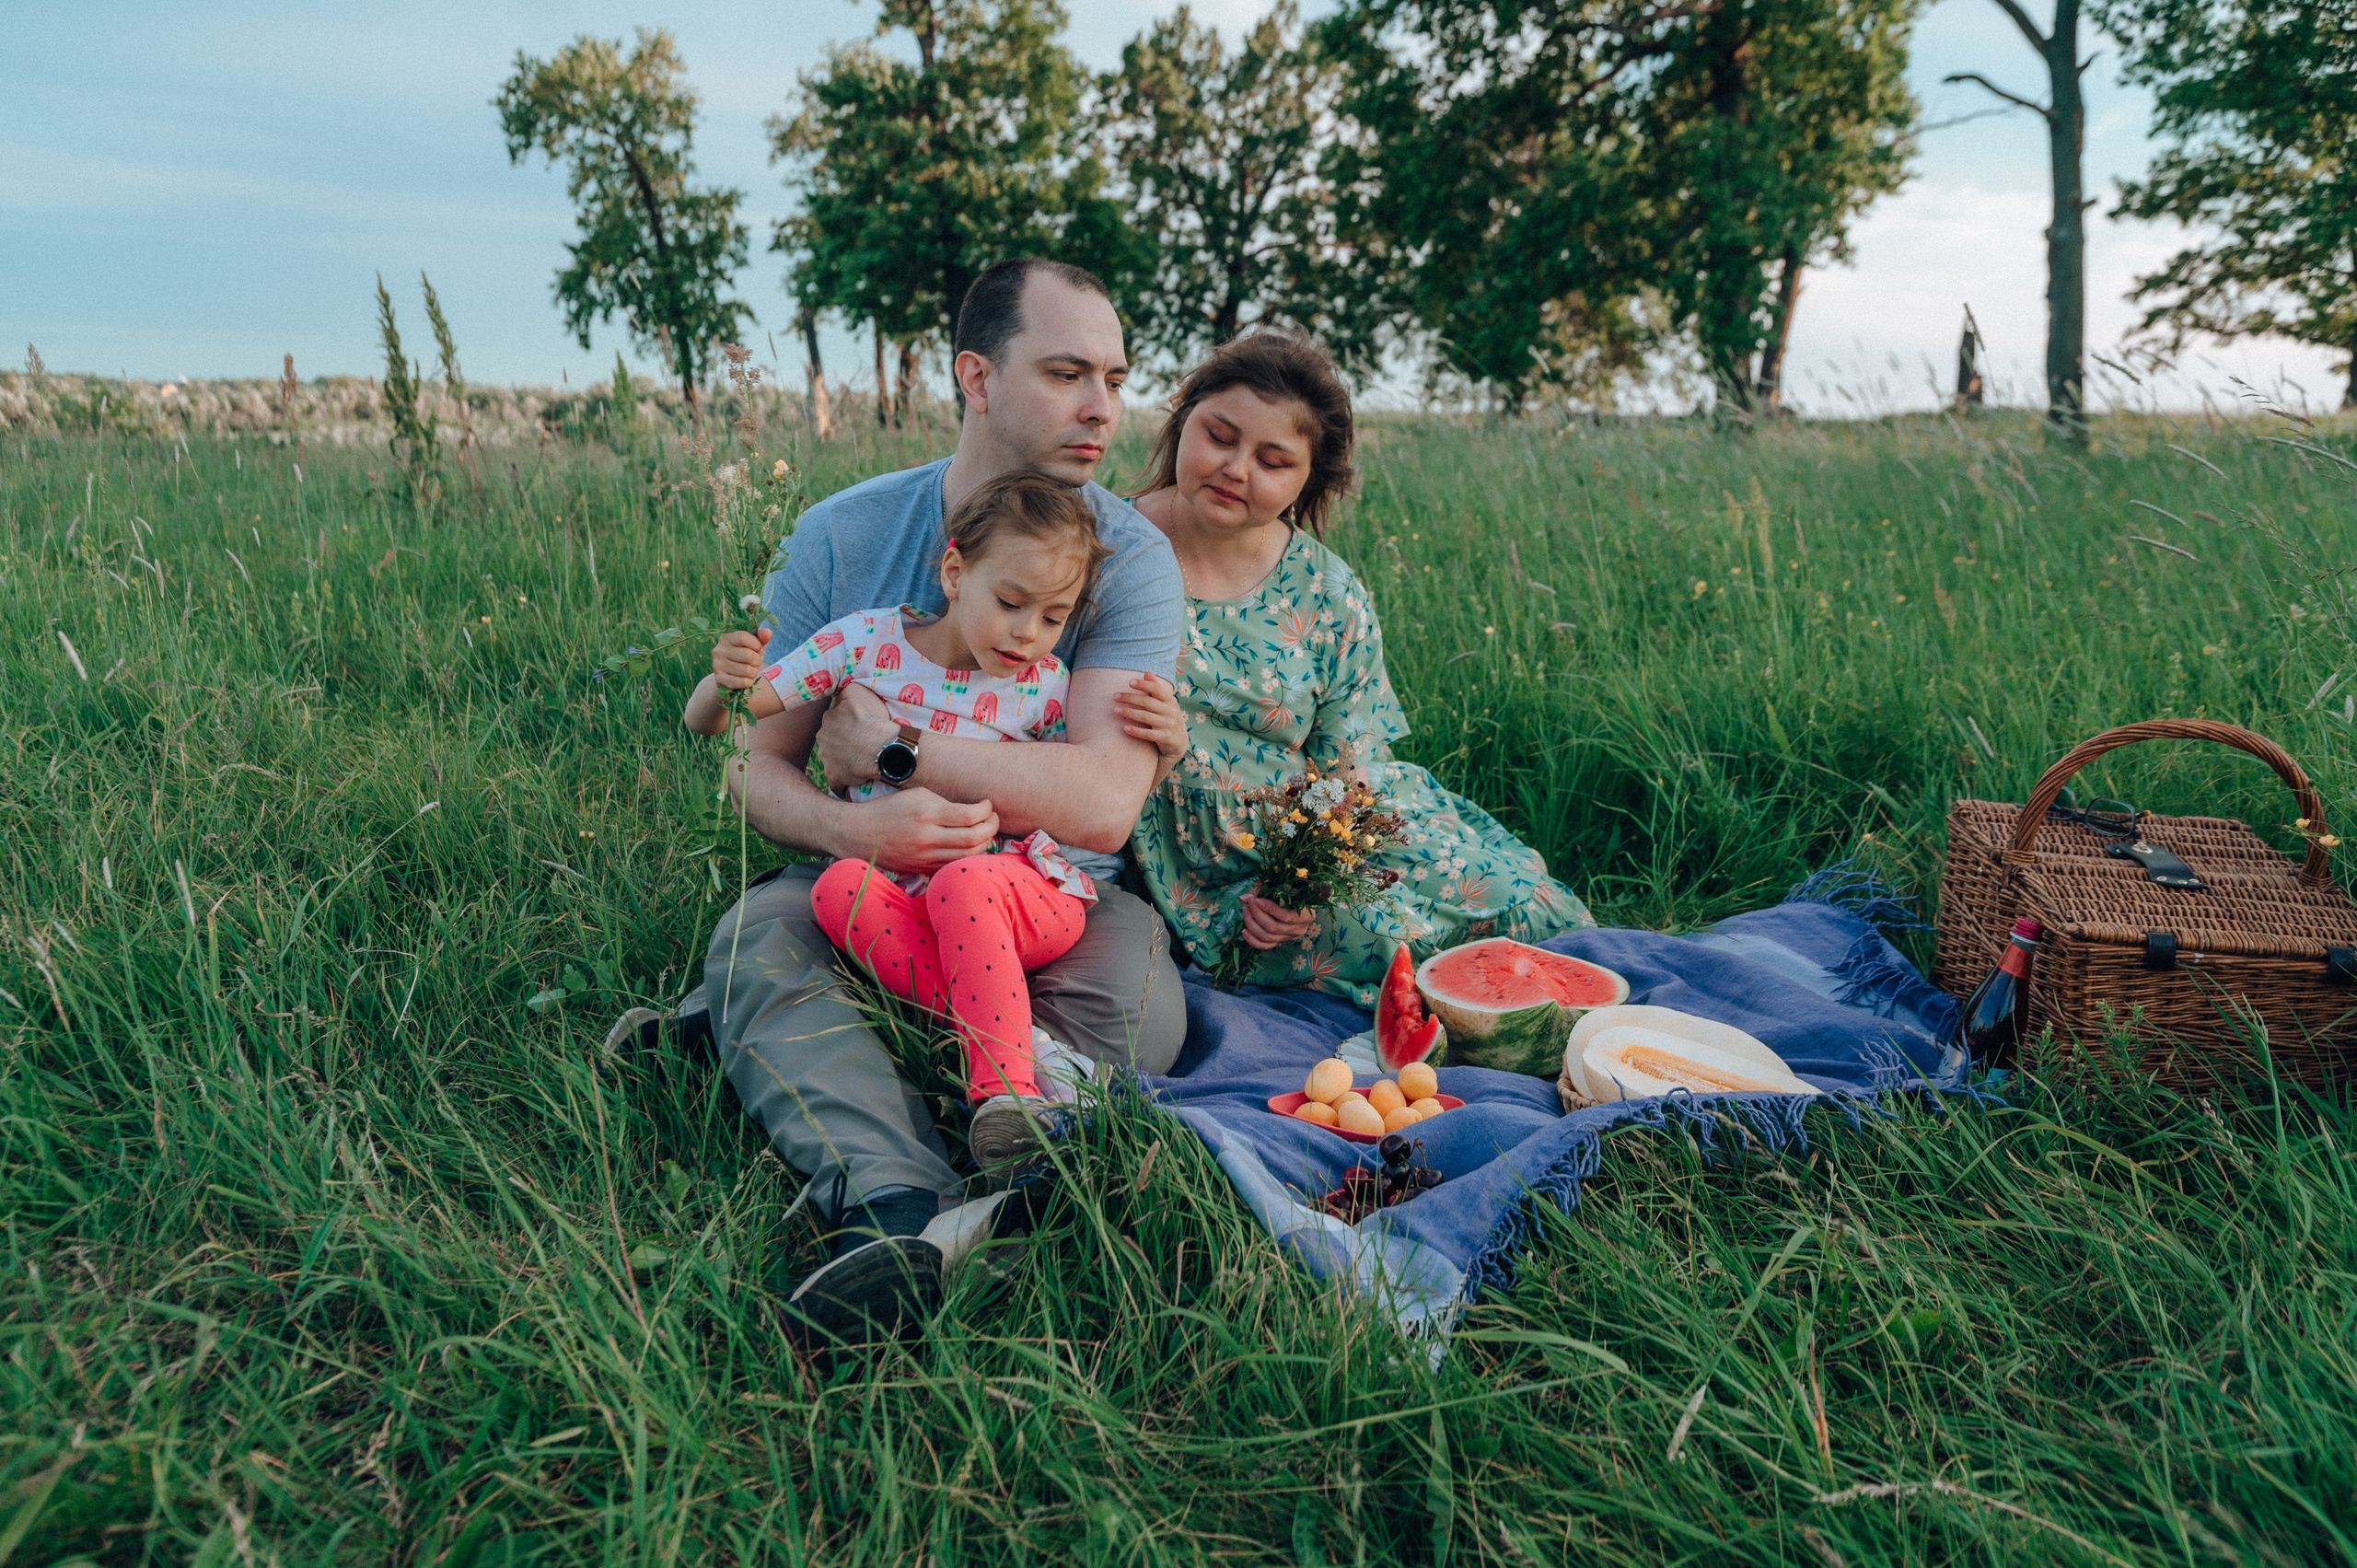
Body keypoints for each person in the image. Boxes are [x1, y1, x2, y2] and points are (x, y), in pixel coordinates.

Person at [663, 258, 1187, 1344]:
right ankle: (898, 1212)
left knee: (1146, 1010)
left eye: (1116, 377)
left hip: (1047, 895)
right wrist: (855, 824)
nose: (1104, 407)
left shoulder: (1126, 560)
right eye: (1066, 371)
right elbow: (753, 764)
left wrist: (900, 749)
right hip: (869, 878)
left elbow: (1098, 809)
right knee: (761, 939)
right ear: (977, 378)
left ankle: (940, 1117)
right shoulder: (844, 535)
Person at [685, 471, 1188, 1182]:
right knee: (839, 891)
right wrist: (721, 685)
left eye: (1053, 617)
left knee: (965, 883)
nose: (1027, 634)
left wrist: (1162, 759)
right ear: (955, 571)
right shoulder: (865, 644)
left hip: (1024, 891)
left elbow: (1090, 798)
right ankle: (1017, 1047)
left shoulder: (1044, 685)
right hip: (903, 893)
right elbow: (728, 721)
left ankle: (1002, 1096)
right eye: (1011, 603)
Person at [1118, 331, 1594, 1006]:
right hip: (1190, 865)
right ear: (1182, 420)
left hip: (1317, 845)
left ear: (1307, 479)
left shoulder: (1327, 591)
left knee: (1524, 909)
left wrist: (1309, 884)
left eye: (1273, 460)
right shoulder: (1105, 548)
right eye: (1219, 436)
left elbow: (1348, 773)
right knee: (1384, 947)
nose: (1236, 468)